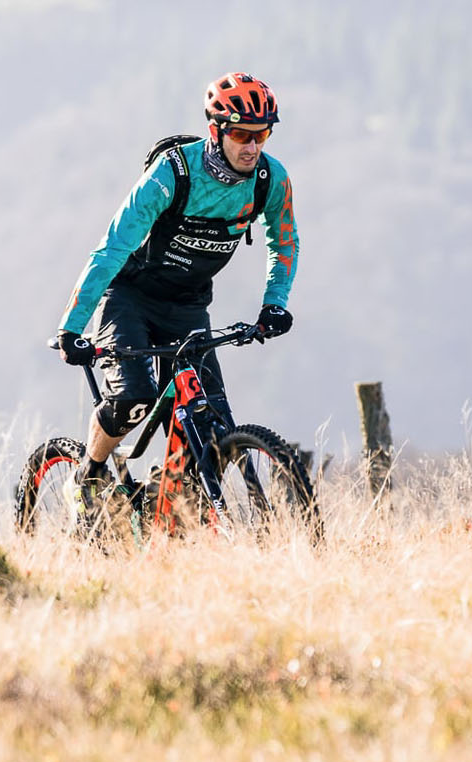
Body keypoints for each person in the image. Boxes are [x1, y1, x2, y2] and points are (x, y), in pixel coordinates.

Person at [55, 72, 299, 506]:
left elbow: (284, 241)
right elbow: (112, 249)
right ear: (216, 130)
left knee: (210, 425)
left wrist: (274, 304)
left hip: (188, 306)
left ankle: (163, 500)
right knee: (132, 400)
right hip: (129, 299)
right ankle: (87, 478)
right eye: (242, 133)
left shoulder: (270, 179)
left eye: (262, 134)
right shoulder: (172, 174)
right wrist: (71, 328)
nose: (253, 146)